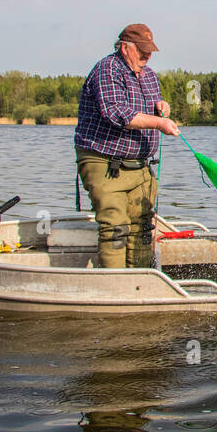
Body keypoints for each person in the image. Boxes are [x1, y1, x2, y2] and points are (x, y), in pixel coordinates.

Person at [74, 24, 179, 269]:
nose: (147, 56)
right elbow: (117, 113)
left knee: (142, 227)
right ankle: (115, 287)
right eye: (142, 51)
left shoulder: (150, 75)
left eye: (150, 51)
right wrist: (159, 122)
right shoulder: (107, 70)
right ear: (124, 48)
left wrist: (162, 107)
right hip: (104, 162)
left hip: (140, 167)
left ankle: (139, 283)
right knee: (115, 226)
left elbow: (151, 108)